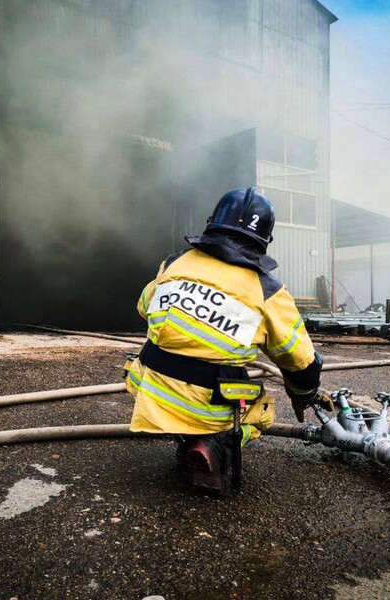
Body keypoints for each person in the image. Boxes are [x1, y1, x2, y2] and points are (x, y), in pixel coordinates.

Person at [124, 186, 333, 494]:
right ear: (265, 239)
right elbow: (299, 359)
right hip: (208, 401)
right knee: (261, 411)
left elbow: (144, 307)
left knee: (172, 368)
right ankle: (213, 443)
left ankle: (186, 439)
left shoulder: (174, 263)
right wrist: (304, 393)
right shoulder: (267, 289)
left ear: (213, 222)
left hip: (149, 387)